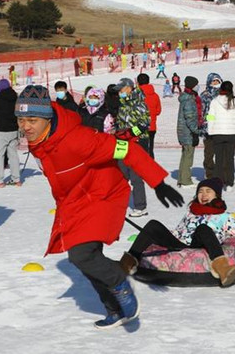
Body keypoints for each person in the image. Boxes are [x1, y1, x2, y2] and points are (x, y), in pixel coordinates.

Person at [16, 84, 184, 329]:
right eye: (21, 120)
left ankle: (120, 283)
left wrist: (157, 182)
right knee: (84, 258)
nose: (25, 126)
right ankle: (114, 309)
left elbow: (127, 150)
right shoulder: (40, 144)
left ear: (47, 118)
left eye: (32, 119)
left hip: (103, 195)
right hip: (75, 201)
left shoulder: (79, 140)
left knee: (81, 254)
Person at [119, 178, 235, 287]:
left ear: (217, 195)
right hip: (181, 243)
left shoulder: (224, 216)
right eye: (200, 191)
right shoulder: (191, 212)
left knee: (203, 228)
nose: (203, 194)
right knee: (153, 225)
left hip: (200, 244)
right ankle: (127, 263)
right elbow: (180, 230)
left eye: (208, 191)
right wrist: (163, 235)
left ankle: (222, 268)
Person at [114, 78, 151, 217]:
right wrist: (117, 132)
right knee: (119, 173)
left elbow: (144, 124)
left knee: (136, 176)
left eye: (121, 90)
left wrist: (129, 133)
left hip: (136, 143)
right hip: (122, 143)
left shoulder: (139, 104)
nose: (119, 93)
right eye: (119, 91)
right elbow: (120, 124)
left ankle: (141, 206)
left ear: (129, 88)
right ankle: (118, 202)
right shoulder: (123, 105)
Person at [206, 81, 235, 191]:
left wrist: (210, 131)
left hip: (218, 133)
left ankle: (218, 181)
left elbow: (210, 117)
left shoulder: (215, 101)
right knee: (230, 159)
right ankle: (229, 182)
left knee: (219, 159)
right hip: (231, 133)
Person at [0, 79, 20, 187]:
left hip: (1, 130)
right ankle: (16, 179)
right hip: (14, 129)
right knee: (13, 155)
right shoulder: (15, 97)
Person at [177, 76, 201, 188]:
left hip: (184, 132)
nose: (198, 87)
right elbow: (190, 118)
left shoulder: (186, 98)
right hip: (188, 133)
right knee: (188, 156)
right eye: (196, 85)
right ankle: (186, 180)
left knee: (185, 155)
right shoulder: (189, 100)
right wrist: (196, 131)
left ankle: (182, 178)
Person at [199, 73, 223, 179]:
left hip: (221, 129)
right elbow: (202, 112)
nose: (215, 83)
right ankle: (209, 173)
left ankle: (220, 174)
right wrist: (210, 120)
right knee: (209, 153)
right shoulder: (205, 95)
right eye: (213, 81)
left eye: (217, 81)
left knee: (221, 154)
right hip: (208, 129)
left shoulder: (223, 94)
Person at [137, 73, 162, 159]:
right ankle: (151, 168)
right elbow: (158, 111)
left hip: (138, 127)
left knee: (139, 150)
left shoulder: (136, 95)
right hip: (151, 126)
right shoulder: (155, 95)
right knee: (150, 149)